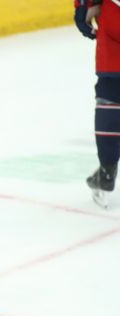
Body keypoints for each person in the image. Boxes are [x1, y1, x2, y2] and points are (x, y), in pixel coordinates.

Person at [75, 0, 120, 208]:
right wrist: (84, 5)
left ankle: (106, 171)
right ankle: (106, 171)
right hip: (113, 45)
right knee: (110, 102)